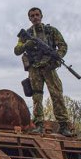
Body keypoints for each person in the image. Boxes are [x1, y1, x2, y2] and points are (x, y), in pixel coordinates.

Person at [14, 7, 74, 137]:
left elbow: (63, 46)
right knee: (36, 96)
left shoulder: (51, 31)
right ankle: (39, 125)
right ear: (29, 18)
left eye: (37, 15)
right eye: (32, 15)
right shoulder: (27, 33)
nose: (35, 17)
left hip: (49, 67)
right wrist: (26, 45)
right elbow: (17, 50)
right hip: (34, 69)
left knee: (57, 95)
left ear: (41, 16)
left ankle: (64, 126)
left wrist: (56, 57)